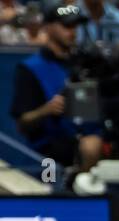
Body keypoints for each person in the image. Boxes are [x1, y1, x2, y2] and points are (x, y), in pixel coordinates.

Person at [8, 2, 102, 170]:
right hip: (49, 154)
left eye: (75, 26)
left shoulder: (84, 64)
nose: (72, 32)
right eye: (67, 26)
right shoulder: (31, 68)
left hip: (89, 144)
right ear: (48, 27)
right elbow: (22, 123)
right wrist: (47, 110)